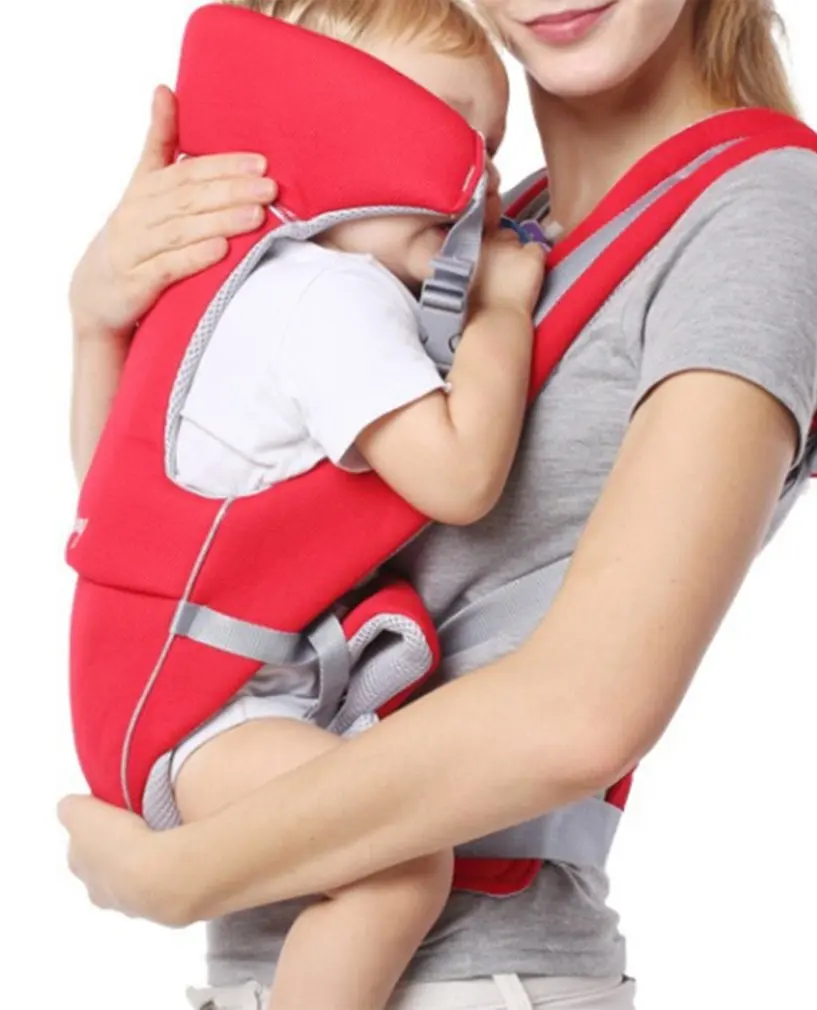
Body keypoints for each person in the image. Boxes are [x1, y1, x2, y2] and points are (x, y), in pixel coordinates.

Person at [59, 0, 817, 1007]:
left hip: (469, 977)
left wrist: (175, 874)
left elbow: (584, 713)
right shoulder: (453, 240)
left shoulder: (761, 211)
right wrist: (102, 320)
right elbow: (178, 525)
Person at [86, 2, 543, 1009]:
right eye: (448, 131)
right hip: (212, 714)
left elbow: (117, 485)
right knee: (400, 865)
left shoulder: (239, 283)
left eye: (492, 146)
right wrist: (503, 310)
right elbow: (460, 477)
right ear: (325, 122)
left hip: (178, 690)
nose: (479, 181)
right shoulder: (333, 298)